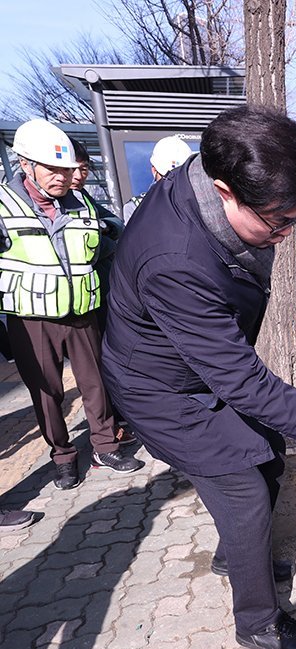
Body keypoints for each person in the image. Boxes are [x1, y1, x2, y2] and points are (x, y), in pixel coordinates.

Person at [102, 106, 296, 649]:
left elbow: (236, 376)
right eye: (278, 222)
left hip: (196, 367)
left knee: (268, 455)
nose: (288, 234)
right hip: (161, 388)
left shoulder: (211, 178)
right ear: (224, 190)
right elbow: (244, 384)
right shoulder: (174, 260)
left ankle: (237, 556)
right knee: (242, 490)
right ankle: (257, 620)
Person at [0, 119, 143, 490]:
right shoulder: (4, 205)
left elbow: (104, 249)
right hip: (31, 318)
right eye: (53, 169)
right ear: (25, 164)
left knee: (95, 382)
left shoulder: (82, 204)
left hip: (82, 312)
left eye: (66, 170)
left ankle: (105, 446)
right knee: (46, 392)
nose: (62, 177)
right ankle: (62, 456)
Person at [67, 137, 136, 446]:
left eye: (84, 168)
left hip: (104, 290)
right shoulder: (62, 203)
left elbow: (116, 225)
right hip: (81, 300)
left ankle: (119, 416)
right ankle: (107, 429)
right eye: (75, 169)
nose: (79, 176)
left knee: (111, 355)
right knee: (94, 366)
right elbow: (87, 250)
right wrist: (105, 239)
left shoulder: (86, 200)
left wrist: (104, 233)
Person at [122, 134, 193, 223]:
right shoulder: (135, 208)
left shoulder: (136, 207)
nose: (172, 184)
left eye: (178, 178)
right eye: (167, 178)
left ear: (154, 170)